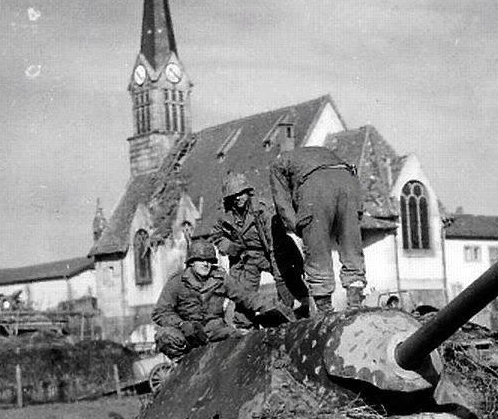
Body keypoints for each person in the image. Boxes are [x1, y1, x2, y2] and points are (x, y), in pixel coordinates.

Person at [153, 239, 290, 360]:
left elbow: (245, 296)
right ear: (191, 263)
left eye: (209, 261)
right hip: (189, 334)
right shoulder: (177, 282)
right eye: (201, 260)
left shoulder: (220, 278)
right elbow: (160, 312)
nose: (206, 264)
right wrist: (181, 324)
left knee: (243, 342)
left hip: (215, 329)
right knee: (166, 336)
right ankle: (186, 365)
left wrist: (271, 308)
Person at [269, 144, 366, 314]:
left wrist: (299, 227)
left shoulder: (278, 164)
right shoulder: (324, 152)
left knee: (317, 252)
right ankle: (356, 303)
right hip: (349, 182)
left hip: (316, 188)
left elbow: (282, 204)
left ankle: (325, 311)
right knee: (351, 246)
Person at [211, 171, 309, 318]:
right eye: (233, 195)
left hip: (272, 251)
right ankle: (245, 326)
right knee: (244, 294)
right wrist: (229, 247)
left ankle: (296, 312)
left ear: (248, 192)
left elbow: (274, 242)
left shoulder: (262, 209)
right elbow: (216, 236)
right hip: (246, 257)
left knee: (286, 280)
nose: (237, 198)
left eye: (241, 193)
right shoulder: (224, 215)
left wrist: (277, 270)